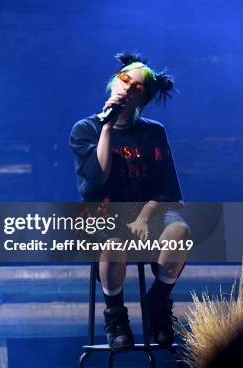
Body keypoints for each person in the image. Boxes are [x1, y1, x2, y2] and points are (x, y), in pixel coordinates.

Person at [69, 52, 190, 351]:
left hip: (148, 213)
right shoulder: (85, 130)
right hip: (104, 213)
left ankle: (158, 305)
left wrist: (144, 218)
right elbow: (95, 184)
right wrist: (107, 126)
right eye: (123, 79)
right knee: (112, 243)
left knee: (180, 233)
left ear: (143, 98)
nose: (126, 87)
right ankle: (116, 316)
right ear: (113, 82)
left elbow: (168, 190)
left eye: (135, 86)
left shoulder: (153, 132)